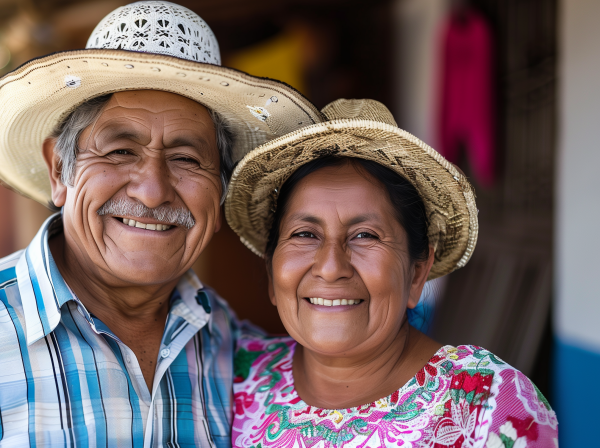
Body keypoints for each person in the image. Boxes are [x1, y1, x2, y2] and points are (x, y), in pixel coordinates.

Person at [0, 2, 322, 447]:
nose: (152, 191)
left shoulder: (236, 351)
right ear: (59, 171)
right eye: (120, 151)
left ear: (220, 187)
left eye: (187, 158)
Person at [225, 99, 558, 447]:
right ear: (271, 271)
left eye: (365, 236)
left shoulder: (486, 405)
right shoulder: (234, 378)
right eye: (305, 235)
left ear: (416, 273)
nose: (330, 267)